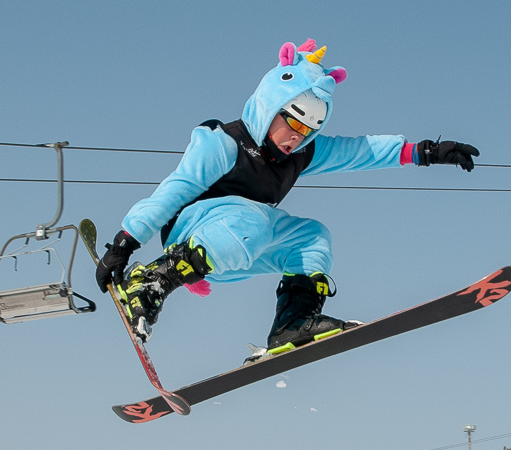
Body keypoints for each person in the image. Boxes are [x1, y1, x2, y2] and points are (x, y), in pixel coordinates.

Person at [95, 38, 478, 353]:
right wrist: (126, 243)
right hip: (193, 232)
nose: (297, 135)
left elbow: (359, 151)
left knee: (312, 236)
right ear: (269, 107)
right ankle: (152, 282)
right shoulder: (224, 143)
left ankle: (293, 323)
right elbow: (174, 190)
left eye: (309, 127)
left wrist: (426, 151)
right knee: (254, 219)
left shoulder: (303, 153)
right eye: (292, 120)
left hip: (239, 243)